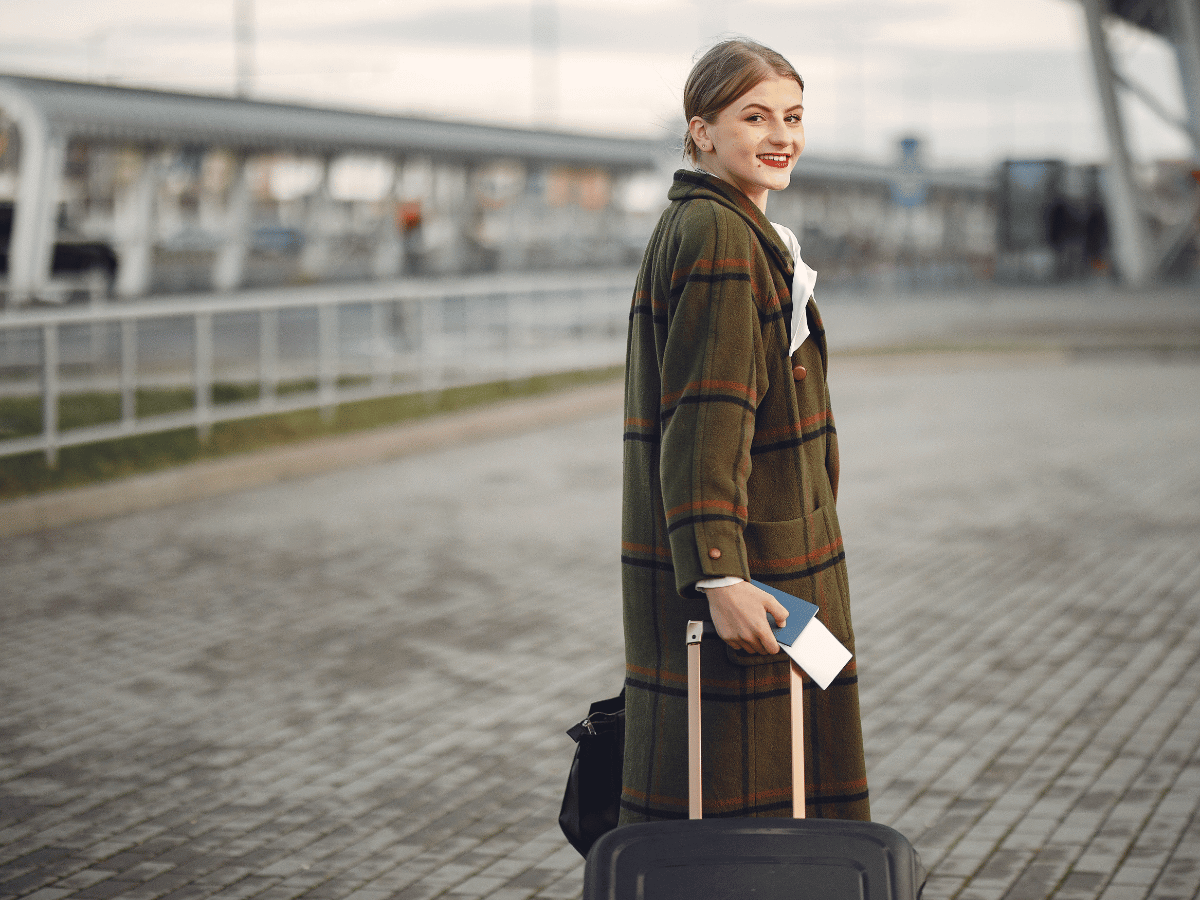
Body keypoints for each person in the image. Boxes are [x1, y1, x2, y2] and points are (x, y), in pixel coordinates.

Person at [619, 38, 870, 823]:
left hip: (767, 558)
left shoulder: (721, 225)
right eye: (754, 116)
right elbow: (705, 418)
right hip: (755, 570)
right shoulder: (723, 238)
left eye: (792, 118)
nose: (780, 136)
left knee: (749, 797)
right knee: (745, 812)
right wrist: (721, 576)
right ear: (702, 130)